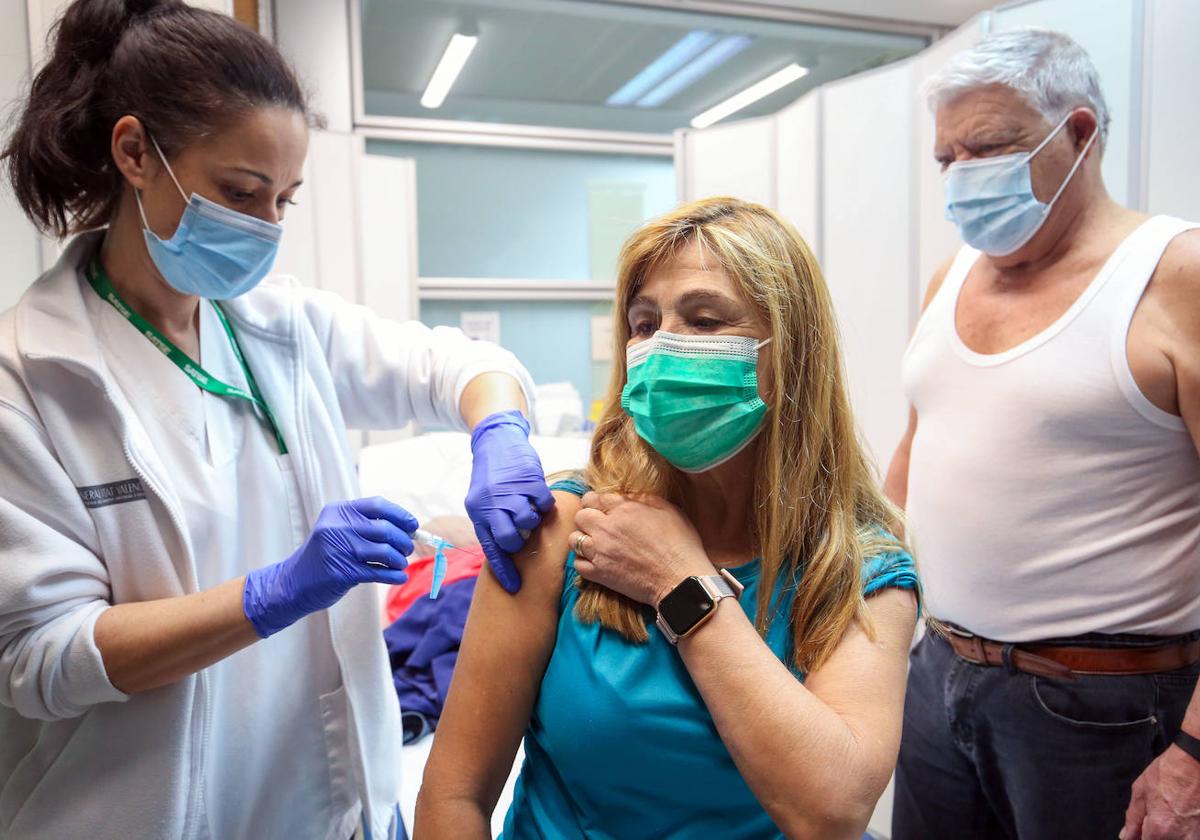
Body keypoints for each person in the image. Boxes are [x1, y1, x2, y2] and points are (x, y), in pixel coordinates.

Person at [0, 2, 554, 837]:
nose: (266, 230)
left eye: (284, 201)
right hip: (136, 809)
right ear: (135, 153)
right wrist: (272, 594)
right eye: (240, 193)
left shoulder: (274, 324)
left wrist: (500, 435)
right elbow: (41, 660)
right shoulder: (32, 377)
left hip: (330, 798)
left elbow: (461, 366)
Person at [414, 197, 921, 839]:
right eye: (644, 323)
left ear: (791, 351)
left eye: (705, 321)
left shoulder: (860, 569)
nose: (661, 348)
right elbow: (453, 795)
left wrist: (682, 583)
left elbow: (832, 810)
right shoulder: (567, 526)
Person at [885, 29, 1200, 840]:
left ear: (1082, 133)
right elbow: (915, 461)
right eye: (945, 157)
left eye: (987, 147)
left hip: (1104, 710)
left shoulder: (1173, 277)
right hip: (939, 673)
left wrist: (1195, 751)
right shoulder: (948, 277)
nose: (962, 178)